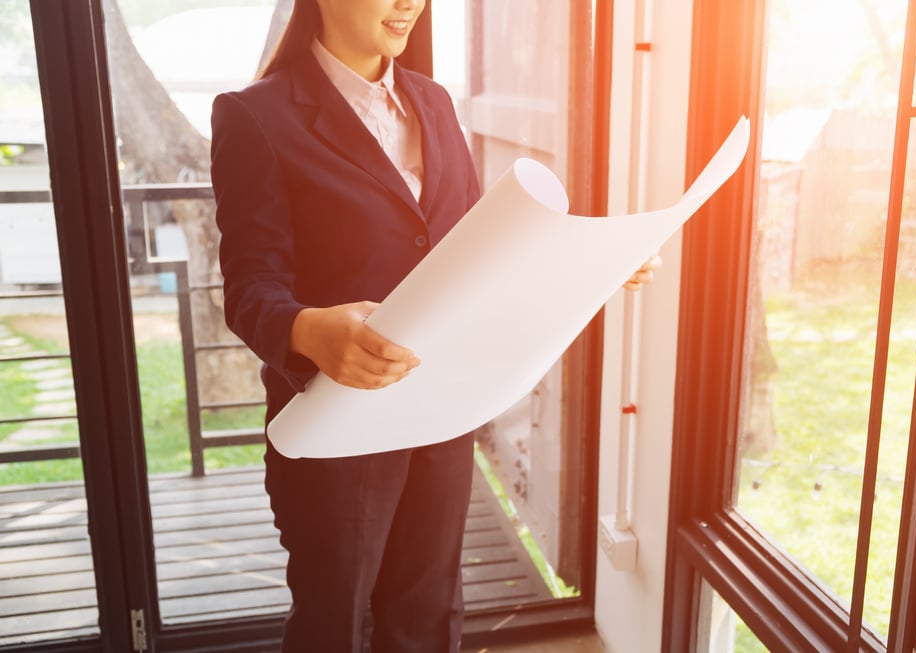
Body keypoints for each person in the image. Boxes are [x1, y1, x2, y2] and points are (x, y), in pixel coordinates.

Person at [211, 1, 654, 650]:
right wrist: (309, 330)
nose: (409, 3)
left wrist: (591, 262)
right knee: (334, 621)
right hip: (337, 427)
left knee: (428, 609)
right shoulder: (256, 116)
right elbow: (251, 290)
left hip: (441, 415)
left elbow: (474, 254)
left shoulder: (435, 102)